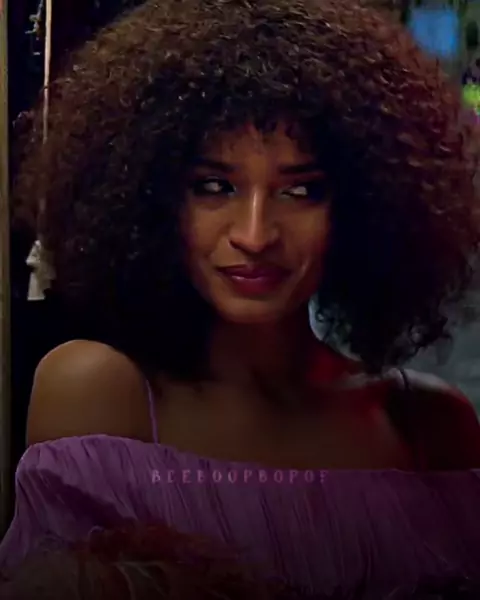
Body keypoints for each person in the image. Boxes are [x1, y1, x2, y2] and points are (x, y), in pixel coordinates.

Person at [2, 0, 480, 597]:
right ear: (150, 198)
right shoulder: (100, 392)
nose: (254, 235)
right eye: (214, 187)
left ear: (367, 204)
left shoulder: (428, 424)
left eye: (301, 191)